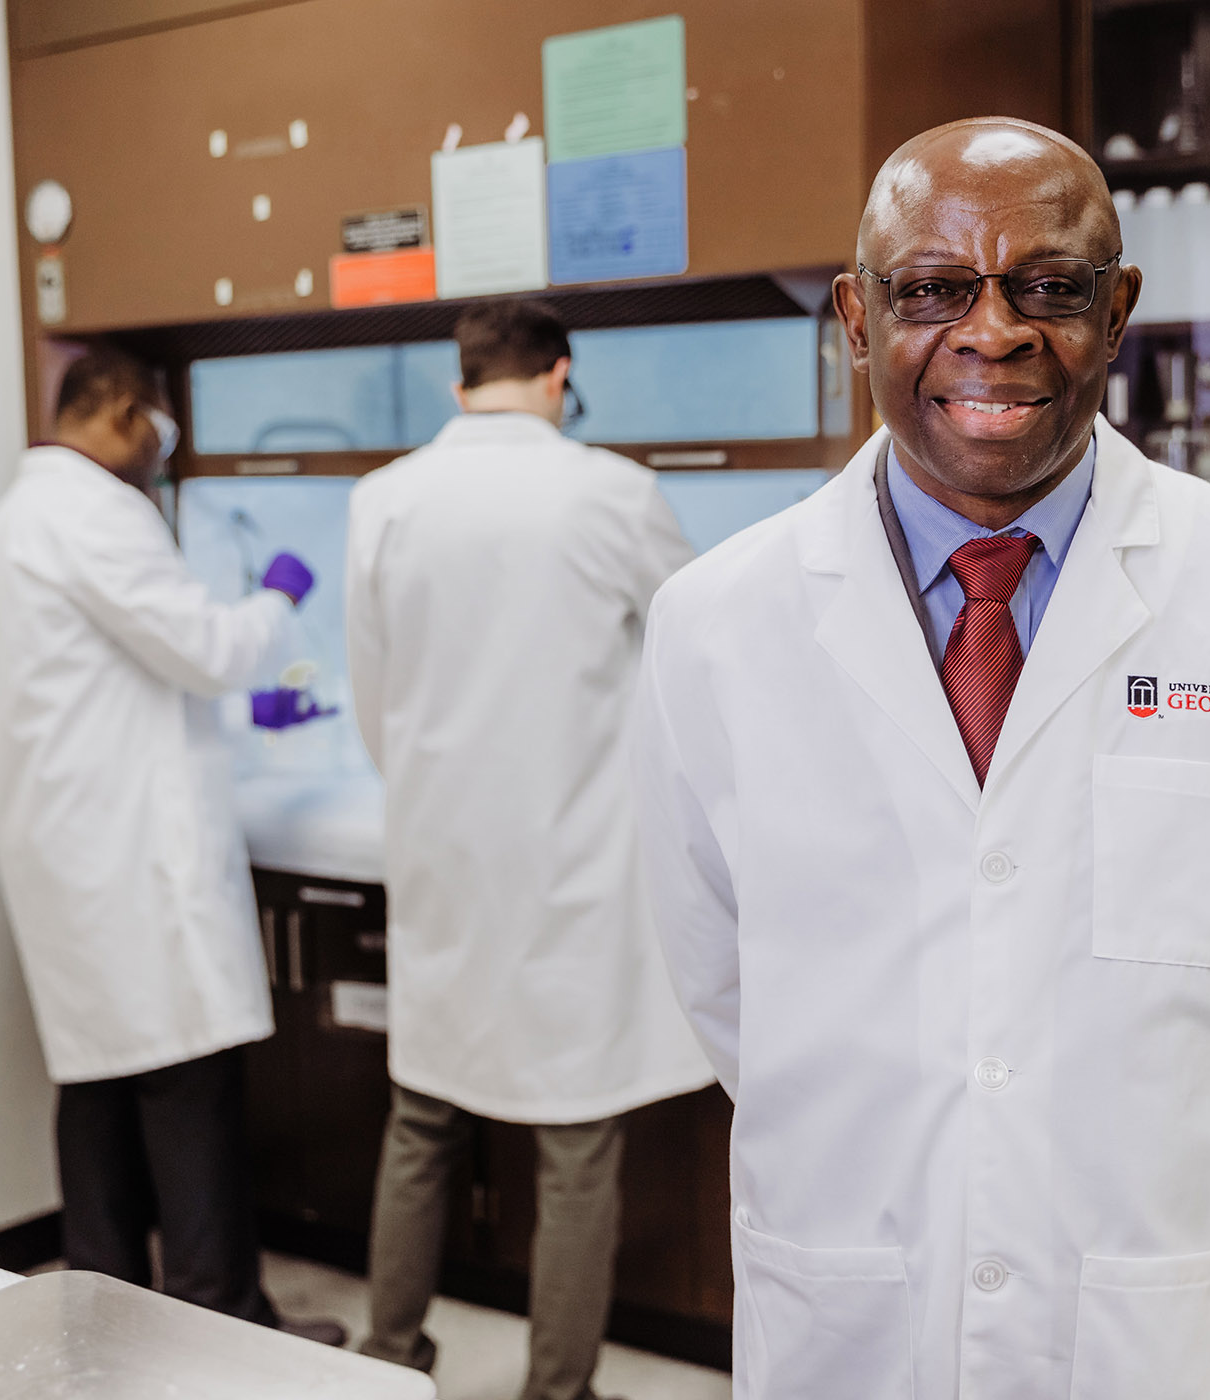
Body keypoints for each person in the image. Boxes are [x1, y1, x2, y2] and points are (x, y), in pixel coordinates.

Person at [634, 119, 1210, 1399]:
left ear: (1118, 312)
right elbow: (718, 968)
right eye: (932, 287)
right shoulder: (719, 621)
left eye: (1048, 286)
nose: (991, 331)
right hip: (858, 1308)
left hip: (1162, 1313)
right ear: (853, 315)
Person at [346, 301, 713, 1400]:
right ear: (560, 376)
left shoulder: (385, 499)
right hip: (573, 864)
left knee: (422, 1113)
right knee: (575, 1138)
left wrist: (430, 788)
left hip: (443, 857)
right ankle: (558, 1389)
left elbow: (376, 693)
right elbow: (695, 655)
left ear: (460, 388)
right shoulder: (608, 491)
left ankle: (392, 1355)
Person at [0, 346, 337, 1339]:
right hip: (130, 855)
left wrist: (242, 697)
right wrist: (282, 598)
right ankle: (226, 1317)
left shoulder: (13, 522)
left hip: (70, 846)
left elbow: (115, 672)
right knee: (186, 1079)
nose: (163, 452)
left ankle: (109, 1313)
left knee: (97, 1083)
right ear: (128, 413)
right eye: (163, 428)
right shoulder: (93, 511)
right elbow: (205, 646)